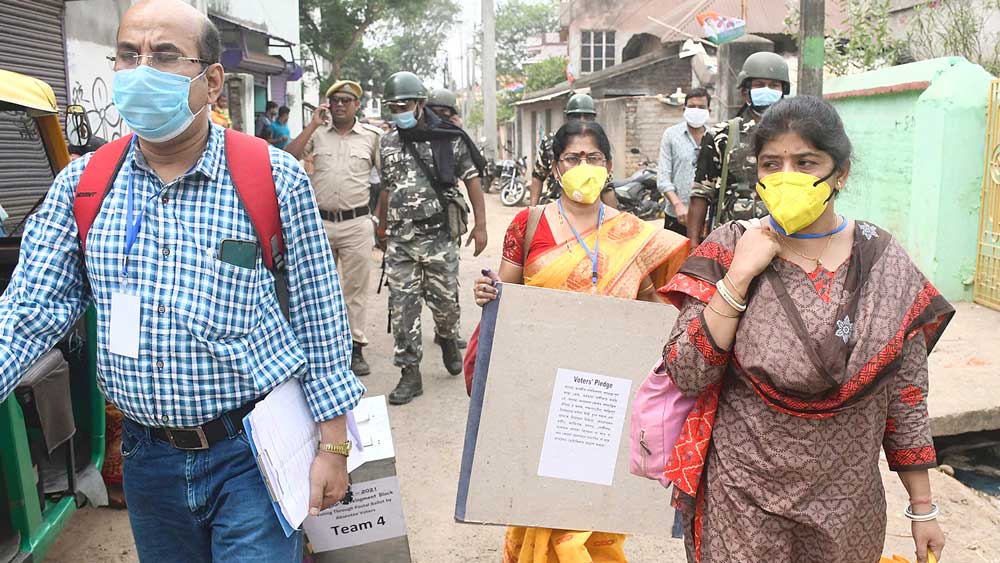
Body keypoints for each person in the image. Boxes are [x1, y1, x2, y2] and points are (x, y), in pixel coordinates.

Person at [0, 1, 364, 560]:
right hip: (149, 460)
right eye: (129, 55)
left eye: (164, 56)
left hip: (253, 454)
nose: (141, 70)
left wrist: (333, 444)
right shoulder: (84, 185)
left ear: (212, 81)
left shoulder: (271, 177)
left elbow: (319, 318)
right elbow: (28, 310)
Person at [660, 96, 951, 563]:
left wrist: (922, 509)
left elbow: (907, 395)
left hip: (847, 507)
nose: (786, 176)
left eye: (805, 162)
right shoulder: (730, 248)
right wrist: (738, 277)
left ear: (841, 172)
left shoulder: (884, 262)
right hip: (743, 498)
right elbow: (686, 371)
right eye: (771, 164)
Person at [473, 120, 689, 563]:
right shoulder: (529, 223)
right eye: (573, 158)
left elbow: (652, 303)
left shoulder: (634, 233)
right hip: (540, 383)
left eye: (593, 158)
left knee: (595, 499)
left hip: (604, 391)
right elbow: (506, 293)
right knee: (540, 491)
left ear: (608, 167)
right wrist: (488, 292)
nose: (583, 166)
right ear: (555, 167)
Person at [377, 71, 487, 405]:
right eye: (394, 106)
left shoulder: (448, 138)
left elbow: (472, 181)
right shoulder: (386, 142)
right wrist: (381, 228)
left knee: (445, 304)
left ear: (420, 103)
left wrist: (481, 226)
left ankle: (448, 336)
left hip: (439, 237)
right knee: (402, 307)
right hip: (401, 240)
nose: (399, 110)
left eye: (405, 104)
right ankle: (410, 373)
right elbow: (385, 188)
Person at [286, 80, 382, 377]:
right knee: (315, 287)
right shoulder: (318, 135)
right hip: (320, 223)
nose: (339, 105)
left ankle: (355, 346)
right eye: (334, 100)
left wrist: (380, 222)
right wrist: (312, 126)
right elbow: (287, 157)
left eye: (345, 100)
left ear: (356, 105)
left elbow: (387, 181)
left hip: (357, 224)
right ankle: (319, 346)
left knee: (355, 289)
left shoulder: (372, 138)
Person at [687, 51, 790, 249]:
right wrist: (693, 246)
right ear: (745, 92)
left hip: (783, 243)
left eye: (774, 85)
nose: (766, 90)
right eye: (759, 85)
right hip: (731, 243)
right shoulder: (721, 136)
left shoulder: (799, 137)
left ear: (783, 91)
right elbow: (701, 194)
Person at [529, 93, 617, 208]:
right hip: (555, 205)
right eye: (571, 158)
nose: (582, 120)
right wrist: (532, 210)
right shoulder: (551, 141)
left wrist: (614, 220)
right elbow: (538, 177)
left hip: (590, 209)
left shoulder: (598, 142)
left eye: (587, 117)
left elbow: (607, 187)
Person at [658, 88, 710, 236]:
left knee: (703, 258)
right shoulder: (671, 135)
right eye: (692, 106)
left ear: (708, 111)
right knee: (676, 258)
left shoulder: (715, 137)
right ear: (684, 109)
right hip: (677, 216)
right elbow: (663, 178)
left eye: (701, 107)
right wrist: (678, 205)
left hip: (706, 218)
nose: (696, 110)